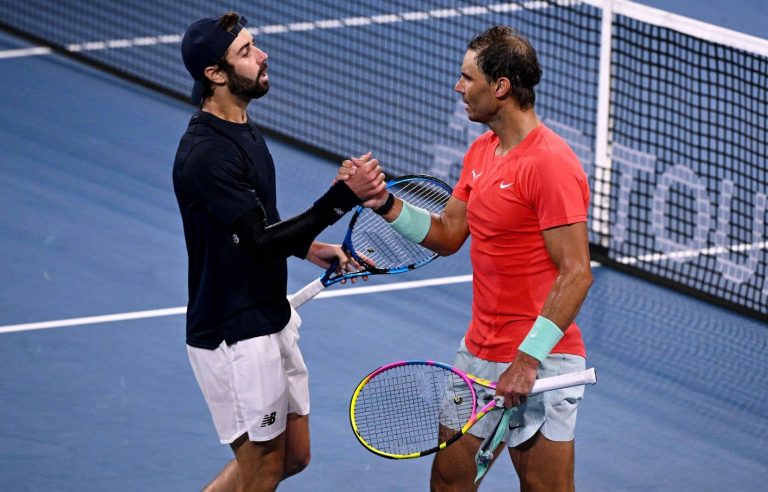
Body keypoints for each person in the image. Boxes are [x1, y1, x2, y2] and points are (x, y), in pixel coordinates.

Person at [340, 25, 593, 491]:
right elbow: (450, 233)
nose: (458, 87)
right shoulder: (481, 150)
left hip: (541, 361)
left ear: (500, 87)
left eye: (467, 77)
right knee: (449, 485)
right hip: (477, 355)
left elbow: (577, 274)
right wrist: (384, 203)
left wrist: (528, 358)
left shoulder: (551, 165)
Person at [173, 12, 385, 491]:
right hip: (233, 332)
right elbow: (257, 239)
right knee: (264, 467)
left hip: (268, 314)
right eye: (246, 52)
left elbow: (254, 226)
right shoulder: (207, 154)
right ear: (215, 74)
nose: (263, 55)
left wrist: (309, 246)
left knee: (293, 456)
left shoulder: (241, 127)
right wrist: (340, 199)